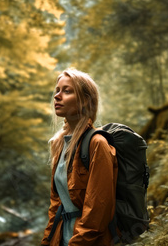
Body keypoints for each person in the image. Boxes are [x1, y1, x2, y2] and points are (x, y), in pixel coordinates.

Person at [41, 68, 118, 246]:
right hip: (60, 239)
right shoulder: (59, 144)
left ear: (85, 100)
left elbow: (96, 215)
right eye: (57, 90)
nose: (57, 96)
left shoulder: (97, 144)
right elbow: (55, 207)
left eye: (67, 91)